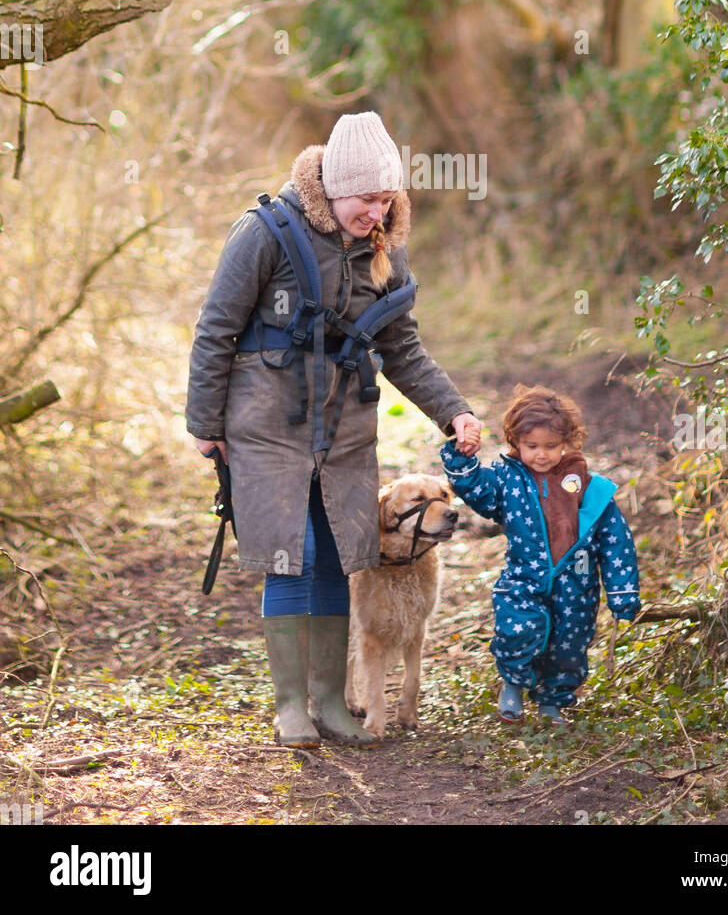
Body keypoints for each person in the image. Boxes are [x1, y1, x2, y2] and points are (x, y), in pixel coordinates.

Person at [186, 111, 482, 747]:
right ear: (332, 186)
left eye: (386, 199)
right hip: (266, 422)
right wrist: (206, 422)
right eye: (365, 198)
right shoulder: (264, 232)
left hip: (344, 430)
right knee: (292, 556)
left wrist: (453, 409)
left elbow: (402, 346)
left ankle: (330, 702)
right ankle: (291, 705)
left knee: (339, 558)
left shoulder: (384, 251)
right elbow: (216, 328)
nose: (375, 212)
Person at [439, 383, 640, 724]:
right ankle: (514, 685)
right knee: (518, 629)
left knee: (569, 646)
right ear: (515, 441)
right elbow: (473, 487)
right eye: (531, 446)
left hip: (577, 584)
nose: (541, 454)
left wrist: (623, 593)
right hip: (523, 577)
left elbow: (615, 540)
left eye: (551, 446)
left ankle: (551, 703)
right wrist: (462, 455)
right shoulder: (506, 480)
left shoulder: (588, 486)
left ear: (567, 442)